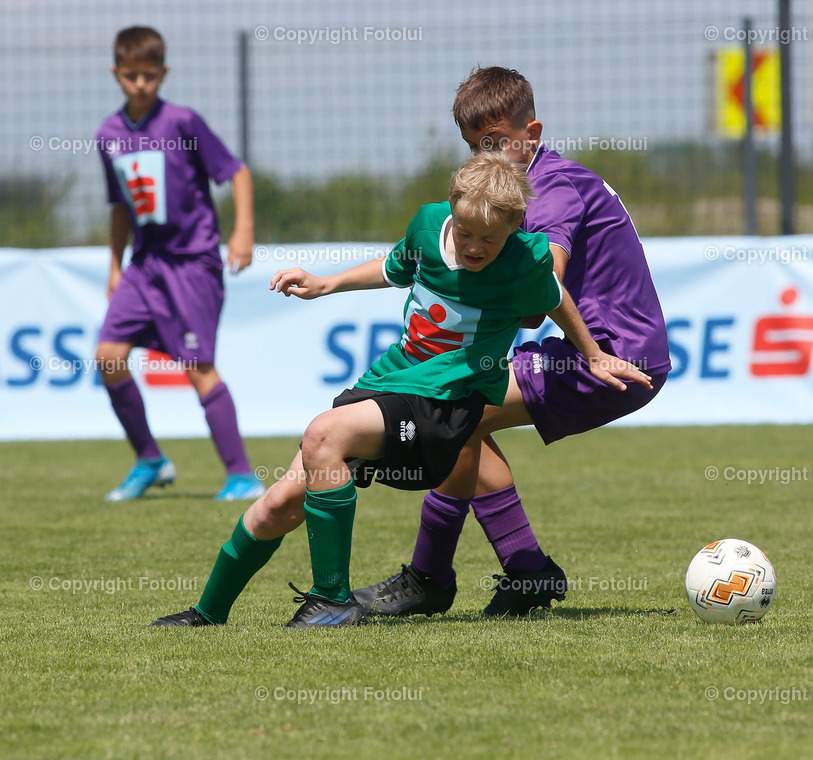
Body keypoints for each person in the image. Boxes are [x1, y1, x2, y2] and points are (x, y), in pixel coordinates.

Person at [152, 152, 650, 627]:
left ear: (514, 230)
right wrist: (327, 284)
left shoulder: (525, 258)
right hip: (391, 379)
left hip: (446, 402)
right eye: (469, 233)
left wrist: (593, 354)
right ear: (452, 209)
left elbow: (555, 296)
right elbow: (395, 267)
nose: (477, 247)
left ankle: (331, 601)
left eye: (491, 240)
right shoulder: (428, 225)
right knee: (280, 502)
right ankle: (208, 613)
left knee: (325, 434)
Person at [351, 66, 672, 617]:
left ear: (533, 131)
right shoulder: (530, 183)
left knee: (457, 410)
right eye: (477, 148)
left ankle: (430, 579)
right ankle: (527, 573)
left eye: (498, 143)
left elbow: (533, 301)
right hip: (595, 349)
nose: (490, 158)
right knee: (464, 414)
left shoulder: (550, 193)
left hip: (611, 355)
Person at [95, 27, 265, 501]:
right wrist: (114, 263)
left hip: (192, 264)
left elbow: (236, 172)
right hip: (144, 265)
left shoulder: (183, 123)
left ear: (163, 73)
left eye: (150, 75)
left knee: (197, 366)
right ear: (117, 74)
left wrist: (243, 231)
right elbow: (119, 208)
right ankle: (149, 459)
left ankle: (242, 476)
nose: (141, 85)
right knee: (108, 357)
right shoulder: (108, 135)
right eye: (131, 76)